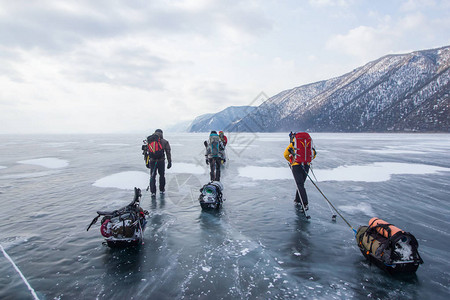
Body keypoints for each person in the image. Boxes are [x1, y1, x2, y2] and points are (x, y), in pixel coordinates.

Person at [284, 132, 316, 211]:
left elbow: (285, 154)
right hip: (306, 165)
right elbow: (313, 154)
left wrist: (292, 161)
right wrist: (307, 161)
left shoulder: (294, 143)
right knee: (301, 183)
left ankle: (304, 203)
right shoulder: (308, 142)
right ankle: (297, 200)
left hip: (296, 165)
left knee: (299, 184)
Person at [147, 129, 171, 196]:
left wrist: (147, 163)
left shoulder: (150, 140)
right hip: (161, 161)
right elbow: (168, 152)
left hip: (152, 161)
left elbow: (146, 152)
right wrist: (169, 162)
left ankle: (153, 192)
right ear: (161, 133)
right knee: (162, 175)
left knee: (152, 176)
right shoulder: (164, 141)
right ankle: (162, 190)